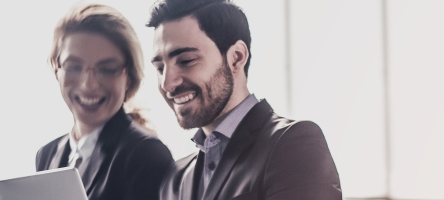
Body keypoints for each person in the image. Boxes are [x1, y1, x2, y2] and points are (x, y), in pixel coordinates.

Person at [146, 0, 342, 199]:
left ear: (236, 57)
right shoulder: (175, 180)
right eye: (160, 68)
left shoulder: (293, 144)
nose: (167, 83)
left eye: (186, 61)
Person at [34, 3, 175, 200]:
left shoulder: (147, 156)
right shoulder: (47, 154)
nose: (88, 85)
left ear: (130, 77)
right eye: (74, 66)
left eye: (107, 69)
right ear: (57, 67)